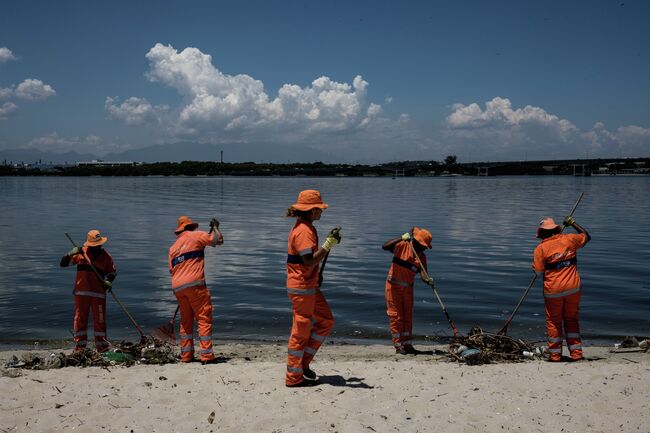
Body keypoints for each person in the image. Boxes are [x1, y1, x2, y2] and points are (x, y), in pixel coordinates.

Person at [285, 189, 340, 387]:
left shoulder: (305, 227)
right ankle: (293, 377)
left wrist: (327, 246)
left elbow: (308, 262)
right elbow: (308, 261)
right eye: (319, 209)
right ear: (311, 210)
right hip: (302, 288)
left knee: (326, 320)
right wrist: (327, 245)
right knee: (300, 331)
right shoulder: (303, 231)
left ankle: (303, 364)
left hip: (309, 286)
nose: (322, 212)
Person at [533, 215, 590, 362]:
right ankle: (576, 354)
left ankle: (555, 356)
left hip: (553, 292)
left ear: (543, 233)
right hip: (573, 288)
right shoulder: (569, 239)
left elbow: (538, 272)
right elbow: (587, 236)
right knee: (571, 320)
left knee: (553, 322)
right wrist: (573, 223)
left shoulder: (540, 249)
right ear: (556, 229)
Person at [169, 215, 223, 364]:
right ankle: (206, 355)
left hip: (178, 287)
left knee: (186, 322)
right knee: (204, 317)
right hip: (195, 284)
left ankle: (186, 356)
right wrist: (216, 227)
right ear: (191, 227)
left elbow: (171, 270)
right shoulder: (196, 236)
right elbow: (218, 240)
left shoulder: (173, 248)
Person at [60, 229, 116, 353]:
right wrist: (70, 253)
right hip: (82, 292)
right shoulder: (81, 253)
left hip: (98, 293)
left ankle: (102, 347)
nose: (98, 246)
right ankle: (80, 348)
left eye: (99, 244)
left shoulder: (106, 256)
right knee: (80, 320)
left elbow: (112, 273)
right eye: (95, 245)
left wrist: (108, 281)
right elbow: (63, 263)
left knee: (100, 321)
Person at [382, 227, 433, 355]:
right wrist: (401, 237)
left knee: (407, 317)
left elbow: (423, 273)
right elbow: (385, 246)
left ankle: (408, 344)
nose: (425, 248)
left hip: (408, 288)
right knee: (396, 316)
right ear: (416, 242)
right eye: (423, 246)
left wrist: (428, 280)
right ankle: (398, 346)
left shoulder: (422, 257)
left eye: (426, 247)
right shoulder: (402, 246)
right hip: (393, 287)